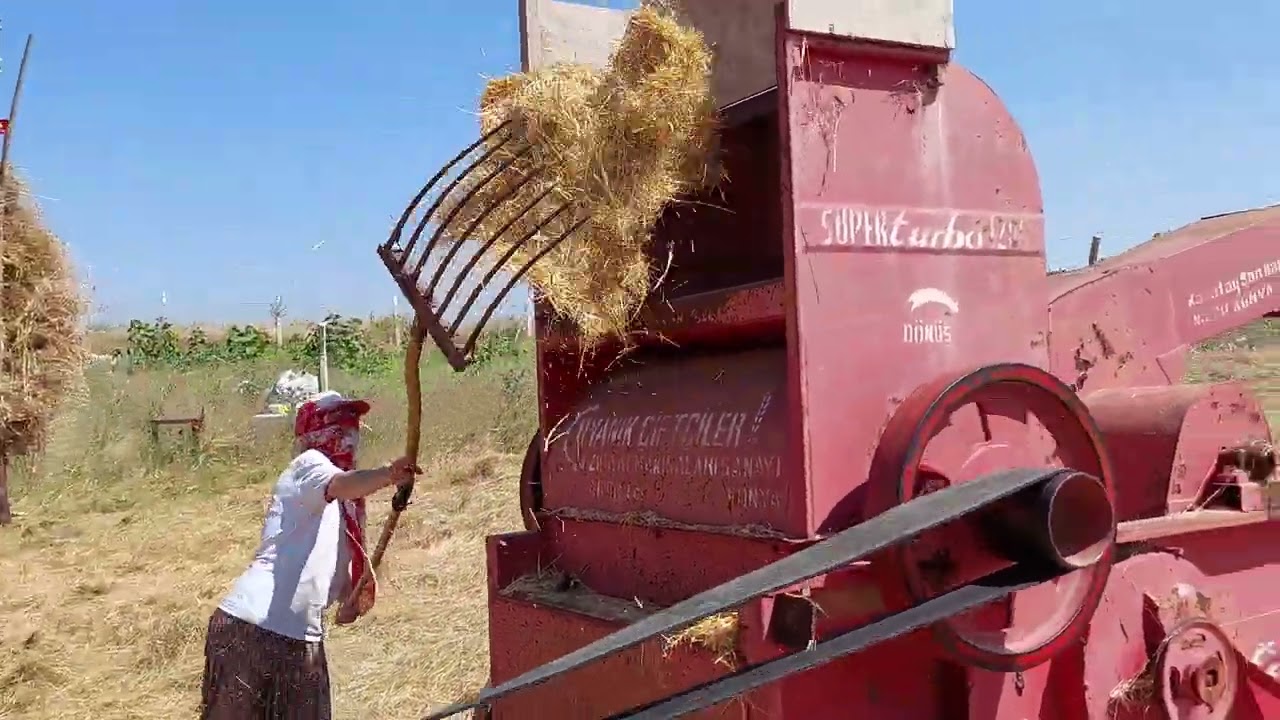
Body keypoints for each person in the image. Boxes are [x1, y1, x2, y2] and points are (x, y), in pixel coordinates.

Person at [200, 390, 420, 719]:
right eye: (337, 426)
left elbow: (338, 584)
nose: (348, 435)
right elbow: (342, 483)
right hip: (251, 631)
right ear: (313, 434)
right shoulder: (309, 466)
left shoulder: (346, 510)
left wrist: (352, 602)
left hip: (301, 640)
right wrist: (387, 475)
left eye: (351, 426)